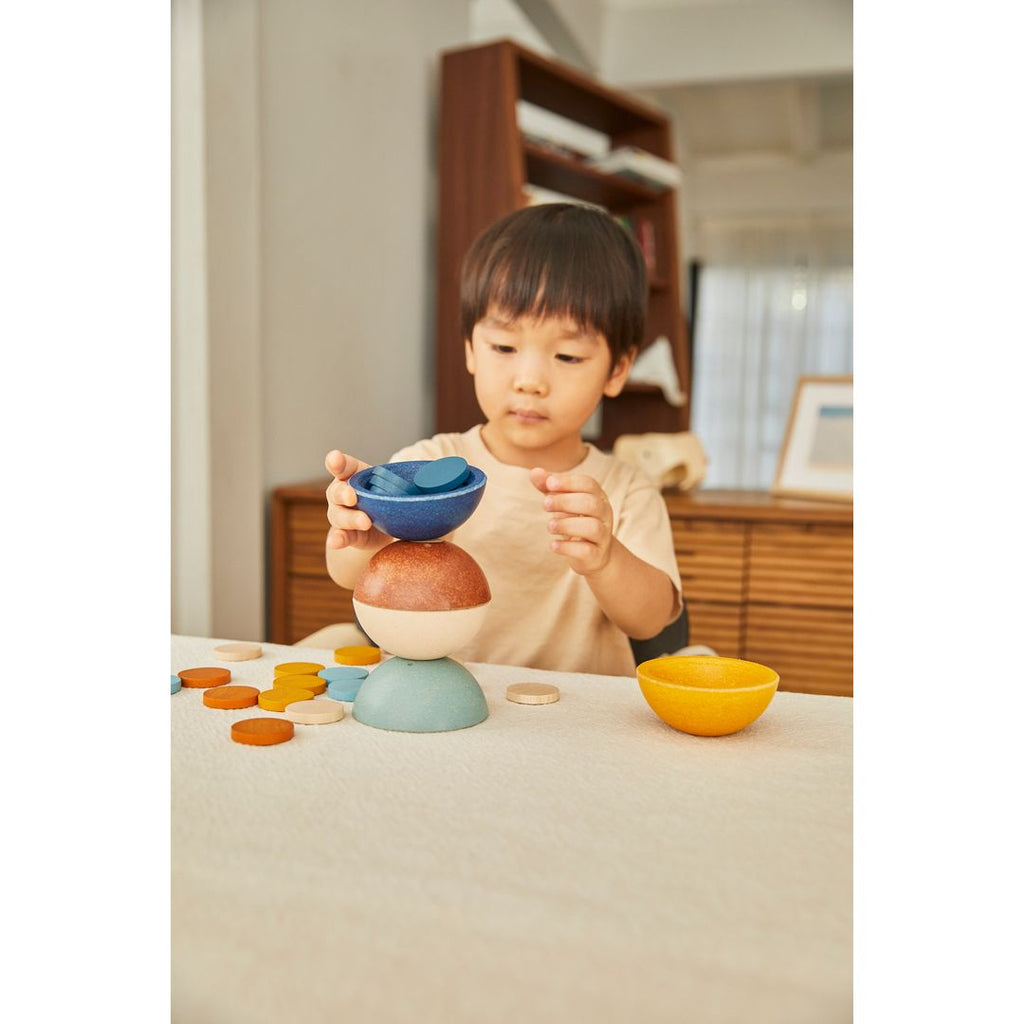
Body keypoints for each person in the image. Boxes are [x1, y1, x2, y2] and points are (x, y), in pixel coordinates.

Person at [324, 203, 683, 676]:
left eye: (569, 356)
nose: (529, 380)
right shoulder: (428, 464)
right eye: (505, 348)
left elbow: (652, 622)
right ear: (471, 348)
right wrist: (365, 541)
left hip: (576, 719)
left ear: (617, 369)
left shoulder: (624, 490)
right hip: (443, 707)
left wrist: (606, 557)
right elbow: (349, 578)